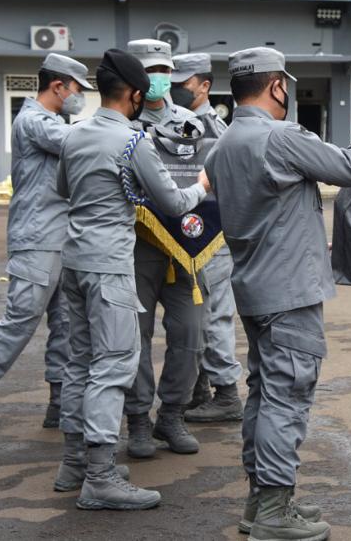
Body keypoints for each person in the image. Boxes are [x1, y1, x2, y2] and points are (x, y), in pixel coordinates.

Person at [205, 47, 351, 541]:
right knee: (287, 399)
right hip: (289, 294)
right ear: (277, 86)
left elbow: (267, 210)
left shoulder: (222, 146)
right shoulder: (280, 137)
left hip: (255, 291)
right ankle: (274, 511)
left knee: (263, 395)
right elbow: (348, 168)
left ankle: (263, 501)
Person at [54, 48, 209, 510]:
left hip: (75, 261)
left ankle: (74, 463)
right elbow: (173, 203)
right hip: (110, 267)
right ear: (136, 95)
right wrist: (203, 186)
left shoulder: (74, 135)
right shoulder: (131, 141)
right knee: (114, 363)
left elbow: (63, 190)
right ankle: (100, 477)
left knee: (79, 363)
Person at [0, 54, 91, 441]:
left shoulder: (57, 122)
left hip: (61, 238)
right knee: (21, 318)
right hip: (37, 239)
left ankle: (59, 404)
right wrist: (117, 128)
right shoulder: (34, 122)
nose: (81, 98)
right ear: (59, 87)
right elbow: (81, 144)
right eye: (79, 90)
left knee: (65, 324)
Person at [121, 39, 209, 458]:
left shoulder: (192, 121)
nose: (157, 78)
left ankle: (171, 415)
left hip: (185, 247)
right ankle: (138, 419)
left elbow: (211, 180)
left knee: (191, 331)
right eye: (149, 69)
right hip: (137, 246)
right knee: (135, 338)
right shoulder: (121, 123)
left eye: (163, 69)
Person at [169, 53, 245, 424]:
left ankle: (227, 392)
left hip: (211, 234)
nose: (175, 90)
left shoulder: (216, 130)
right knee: (190, 317)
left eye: (183, 84)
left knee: (215, 314)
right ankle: (199, 387)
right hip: (177, 234)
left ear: (203, 86)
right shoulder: (170, 124)